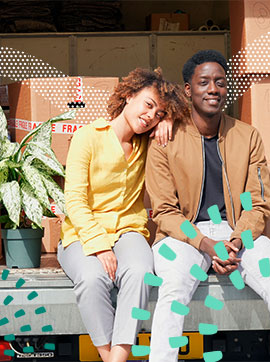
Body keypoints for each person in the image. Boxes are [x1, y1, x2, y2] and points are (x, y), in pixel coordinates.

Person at [145, 50, 270, 362]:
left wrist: (235, 240)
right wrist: (205, 243)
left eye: (220, 82)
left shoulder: (247, 136)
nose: (212, 89)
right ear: (188, 89)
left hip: (237, 233)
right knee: (173, 291)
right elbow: (163, 211)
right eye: (204, 82)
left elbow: (258, 203)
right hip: (182, 237)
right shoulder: (166, 138)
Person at [58, 67, 188, 362]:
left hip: (129, 230)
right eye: (148, 105)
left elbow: (195, 119)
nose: (151, 116)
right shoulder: (87, 137)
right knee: (92, 279)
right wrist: (100, 246)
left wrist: (169, 119)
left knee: (141, 273)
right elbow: (74, 200)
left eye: (158, 113)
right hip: (82, 233)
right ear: (128, 96)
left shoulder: (148, 143)